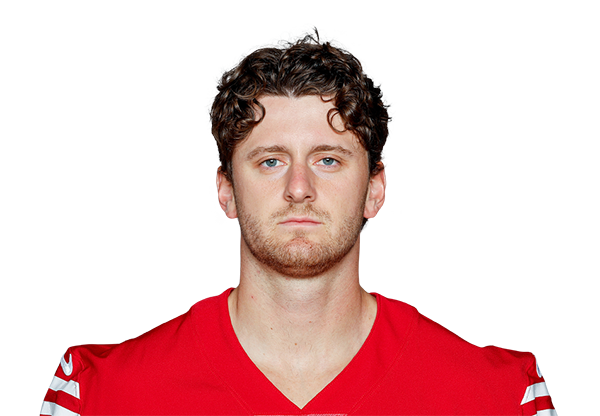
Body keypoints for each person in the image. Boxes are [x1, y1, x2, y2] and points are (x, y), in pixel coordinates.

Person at [41, 28, 556, 415]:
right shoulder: (100, 396)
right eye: (271, 161)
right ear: (226, 191)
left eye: (328, 159)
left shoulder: (499, 398)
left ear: (374, 190)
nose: (299, 187)